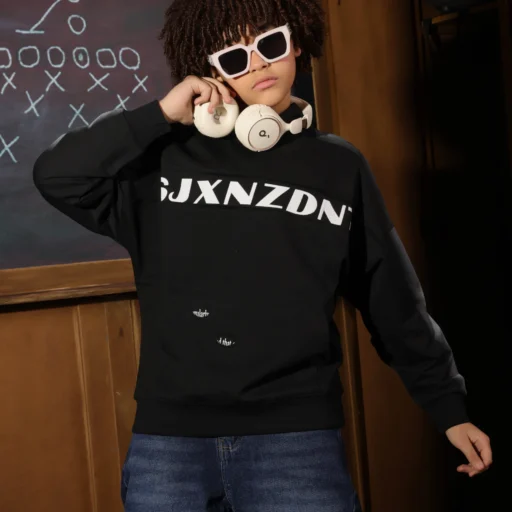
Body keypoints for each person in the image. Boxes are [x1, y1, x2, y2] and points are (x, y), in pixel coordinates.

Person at [32, 0, 492, 510]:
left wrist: (449, 408)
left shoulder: (338, 167)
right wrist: (160, 115)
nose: (258, 64)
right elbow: (56, 175)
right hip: (171, 445)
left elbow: (393, 301)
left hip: (298, 443)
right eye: (234, 57)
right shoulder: (160, 164)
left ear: (295, 43)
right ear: (210, 72)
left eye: (270, 43)